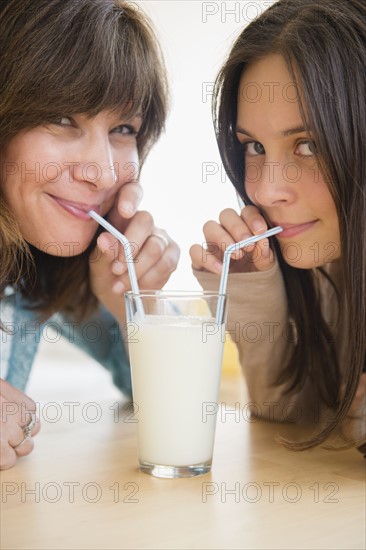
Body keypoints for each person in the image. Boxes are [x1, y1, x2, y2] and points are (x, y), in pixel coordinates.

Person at [0, 0, 180, 469]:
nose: (102, 174)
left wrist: (133, 304)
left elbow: (166, 401)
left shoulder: (36, 262)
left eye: (123, 128)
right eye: (63, 118)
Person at [191, 0, 366, 452]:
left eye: (307, 145)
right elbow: (286, 421)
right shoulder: (327, 267)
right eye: (253, 147)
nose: (267, 191)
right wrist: (254, 298)